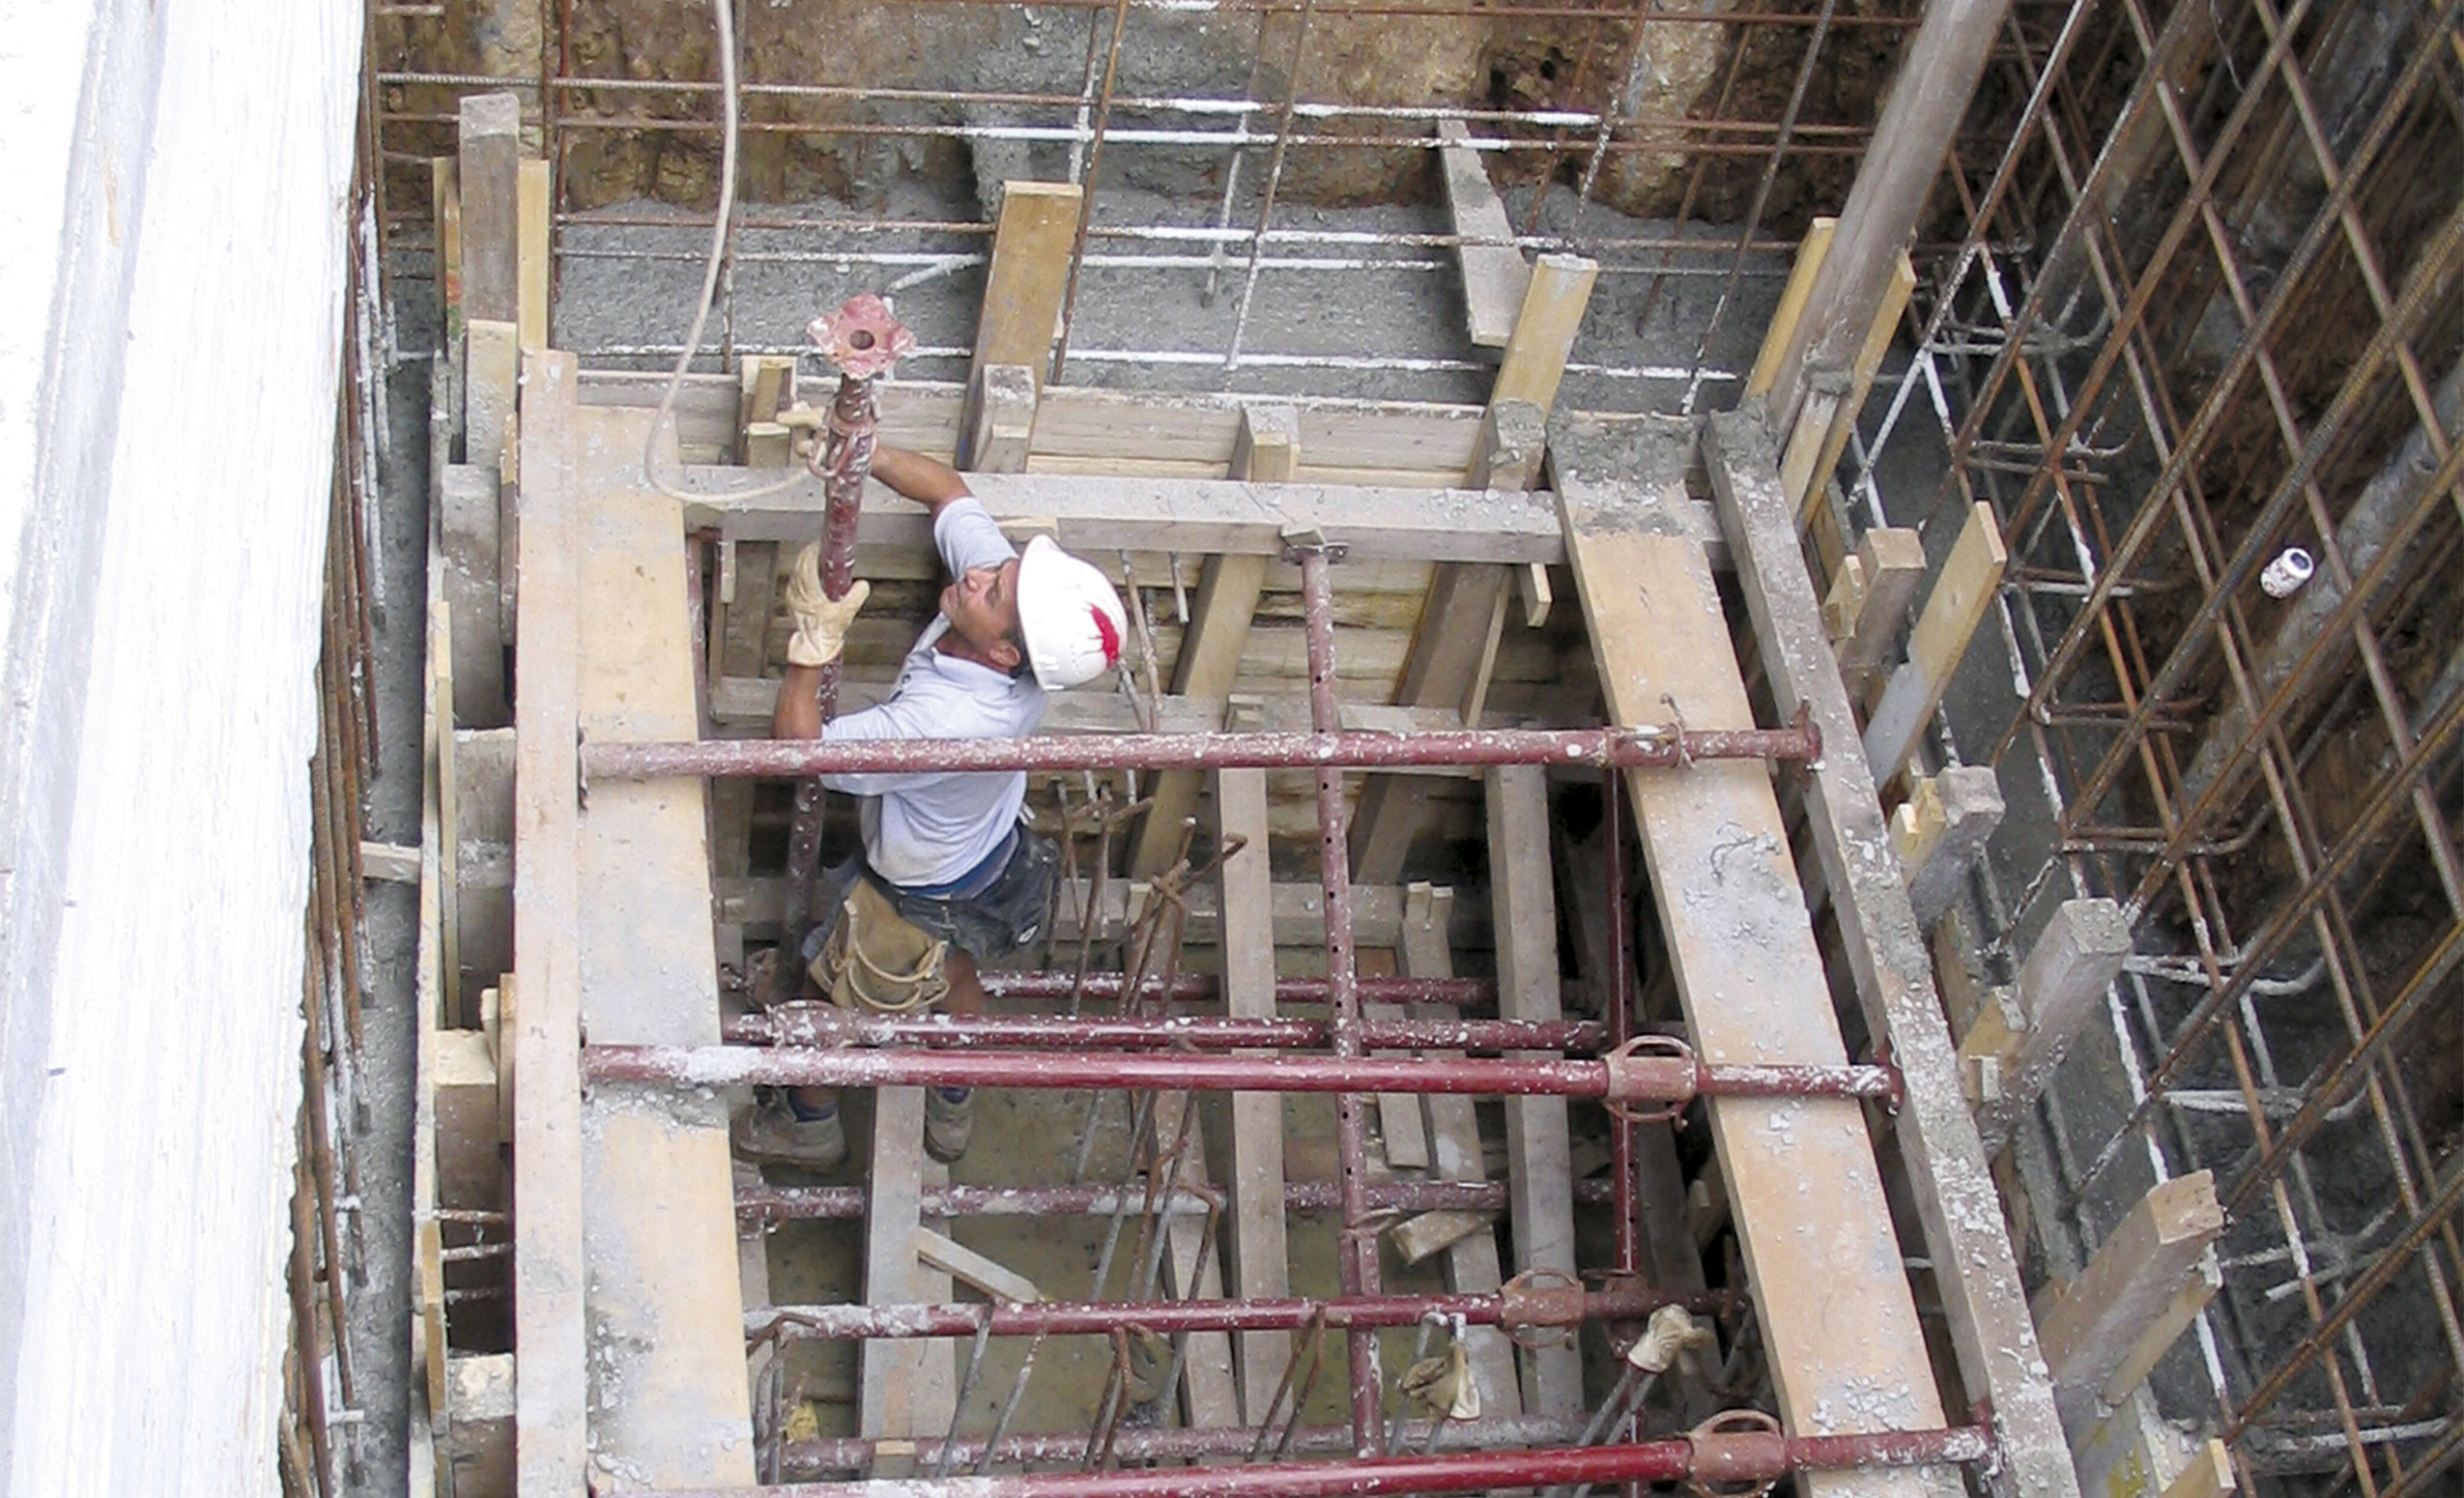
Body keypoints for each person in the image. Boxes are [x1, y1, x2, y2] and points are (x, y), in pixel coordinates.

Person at [734, 445, 1129, 1167]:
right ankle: (954, 1096)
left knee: (838, 999)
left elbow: (797, 753)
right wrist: (865, 450)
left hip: (916, 890)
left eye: (991, 592)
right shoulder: (1011, 623)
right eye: (996, 571)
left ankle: (809, 1127)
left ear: (1007, 655)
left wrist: (811, 643)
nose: (977, 575)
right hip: (988, 861)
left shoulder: (950, 721)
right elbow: (946, 490)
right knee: (952, 974)